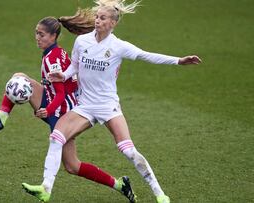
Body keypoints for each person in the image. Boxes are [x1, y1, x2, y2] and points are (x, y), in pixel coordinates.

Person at [22, 1, 202, 203]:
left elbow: (146, 55)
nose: (98, 21)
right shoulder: (82, 41)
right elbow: (74, 67)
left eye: (102, 18)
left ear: (113, 23)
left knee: (129, 151)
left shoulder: (118, 46)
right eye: (97, 17)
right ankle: (46, 188)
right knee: (56, 137)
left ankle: (160, 194)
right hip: (85, 106)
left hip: (108, 107)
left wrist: (179, 60)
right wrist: (62, 75)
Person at [0, 16, 136, 203]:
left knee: (72, 166)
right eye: (36, 33)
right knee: (20, 77)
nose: (37, 37)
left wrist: (48, 111)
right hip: (58, 100)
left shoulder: (52, 59)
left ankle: (118, 185)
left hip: (62, 110)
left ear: (53, 36)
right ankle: (1, 117)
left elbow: (60, 94)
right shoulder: (55, 52)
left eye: (42, 34)